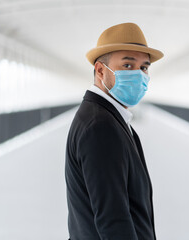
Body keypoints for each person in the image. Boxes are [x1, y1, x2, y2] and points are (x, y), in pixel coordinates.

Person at [65, 22, 163, 240]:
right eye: (128, 66)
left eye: (144, 67)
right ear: (101, 70)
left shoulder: (105, 117)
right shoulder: (99, 126)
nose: (139, 75)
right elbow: (113, 221)